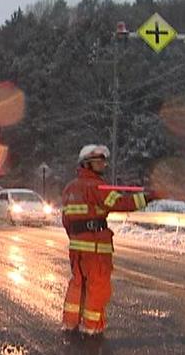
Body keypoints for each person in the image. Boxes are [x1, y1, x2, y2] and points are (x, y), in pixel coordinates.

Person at [60, 144, 159, 337]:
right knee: (97, 286)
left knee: (77, 284)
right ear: (87, 164)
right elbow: (123, 202)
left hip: (77, 248)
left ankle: (70, 323)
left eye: (103, 162)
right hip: (96, 248)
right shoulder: (97, 186)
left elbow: (66, 220)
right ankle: (92, 327)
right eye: (98, 162)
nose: (103, 165)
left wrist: (76, 239)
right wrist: (149, 197)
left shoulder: (69, 188)